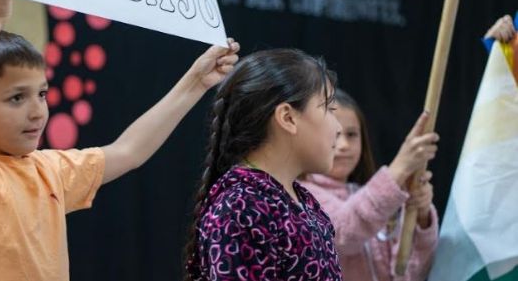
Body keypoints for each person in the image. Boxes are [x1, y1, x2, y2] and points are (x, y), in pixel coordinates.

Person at [0, 0, 240, 281]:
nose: (37, 111)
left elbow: (129, 150)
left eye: (42, 94)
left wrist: (196, 83)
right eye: (17, 98)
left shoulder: (50, 170)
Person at [184, 48, 344, 280]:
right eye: (329, 109)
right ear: (288, 118)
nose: (338, 127)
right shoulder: (242, 207)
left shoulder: (302, 201)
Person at [301, 89, 439, 281]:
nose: (344, 145)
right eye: (334, 134)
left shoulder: (376, 198)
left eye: (351, 134)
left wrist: (420, 215)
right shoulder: (300, 193)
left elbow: (408, 272)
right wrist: (399, 168)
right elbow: (344, 233)